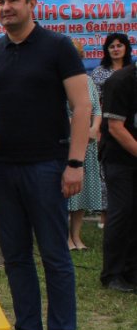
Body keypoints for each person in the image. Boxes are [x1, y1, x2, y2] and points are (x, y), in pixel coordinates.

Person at [0, 0, 90, 330]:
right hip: (2, 169)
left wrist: (75, 163)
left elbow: (82, 107)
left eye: (13, 1)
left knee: (55, 256)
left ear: (31, 4)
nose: (5, 8)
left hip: (47, 167)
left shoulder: (59, 47)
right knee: (16, 257)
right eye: (0, 2)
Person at [98, 62, 137, 293]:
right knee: (121, 212)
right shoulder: (120, 81)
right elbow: (115, 127)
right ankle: (112, 274)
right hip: (119, 158)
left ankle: (131, 271)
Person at [89, 33, 133, 228]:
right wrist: (97, 128)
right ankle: (105, 217)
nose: (116, 49)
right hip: (107, 128)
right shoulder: (99, 73)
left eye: (119, 45)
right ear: (106, 50)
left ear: (126, 48)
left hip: (130, 128)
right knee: (107, 175)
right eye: (112, 46)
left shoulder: (132, 71)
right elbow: (94, 103)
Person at [67, 41, 102, 251]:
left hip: (87, 144)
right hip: (67, 143)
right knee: (66, 192)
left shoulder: (88, 81)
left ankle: (76, 236)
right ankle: (65, 238)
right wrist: (77, 127)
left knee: (82, 190)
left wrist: (94, 128)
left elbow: (96, 109)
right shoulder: (57, 81)